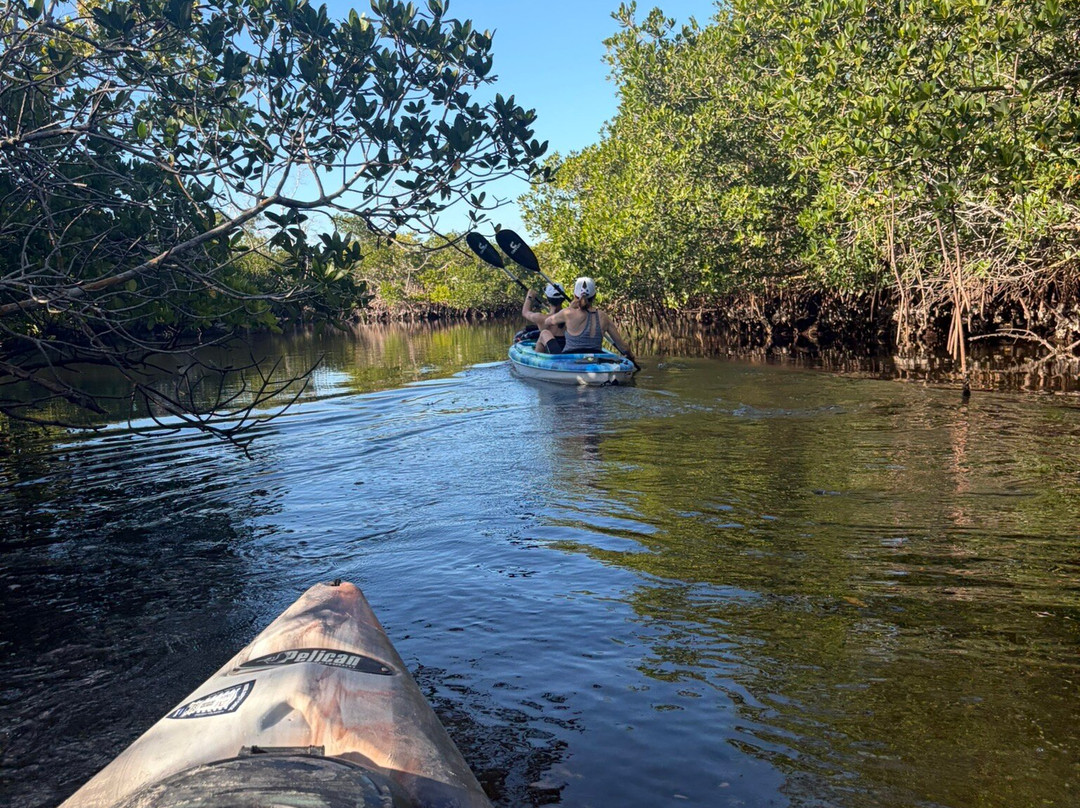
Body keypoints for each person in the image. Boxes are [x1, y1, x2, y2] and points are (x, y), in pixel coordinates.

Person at [537, 277, 636, 361]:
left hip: (569, 360)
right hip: (595, 359)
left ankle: (537, 363)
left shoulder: (568, 313)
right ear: (594, 296)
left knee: (544, 333)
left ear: (575, 296)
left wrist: (570, 307)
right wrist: (631, 357)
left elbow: (548, 322)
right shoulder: (603, 316)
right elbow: (623, 347)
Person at [520, 283, 567, 351]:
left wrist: (529, 297)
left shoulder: (540, 318)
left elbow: (525, 312)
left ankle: (537, 357)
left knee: (543, 333)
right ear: (563, 299)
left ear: (547, 300)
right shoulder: (570, 315)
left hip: (550, 352)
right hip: (566, 349)